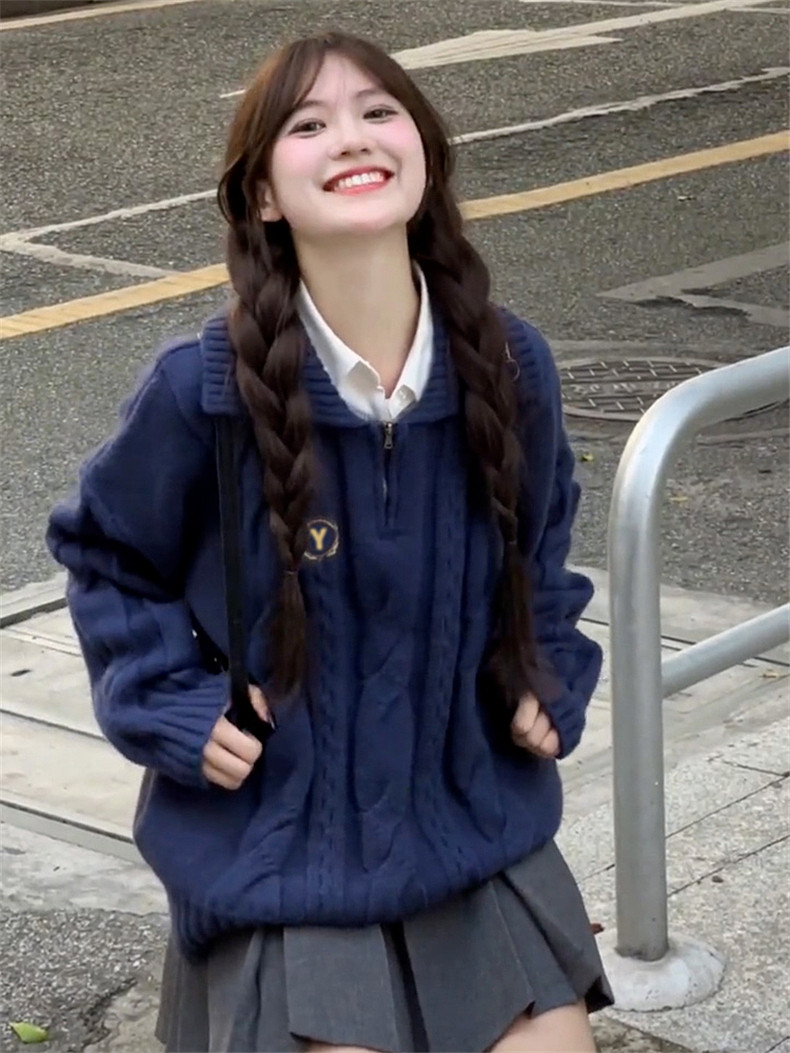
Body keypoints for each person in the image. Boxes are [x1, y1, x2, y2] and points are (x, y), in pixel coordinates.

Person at [46, 30, 613, 1053]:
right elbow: (104, 556)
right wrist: (168, 702)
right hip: (280, 846)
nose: (352, 136)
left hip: (469, 826)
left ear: (424, 155)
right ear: (263, 194)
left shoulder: (510, 364)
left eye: (379, 112)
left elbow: (543, 562)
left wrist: (546, 673)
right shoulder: (201, 390)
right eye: (308, 125)